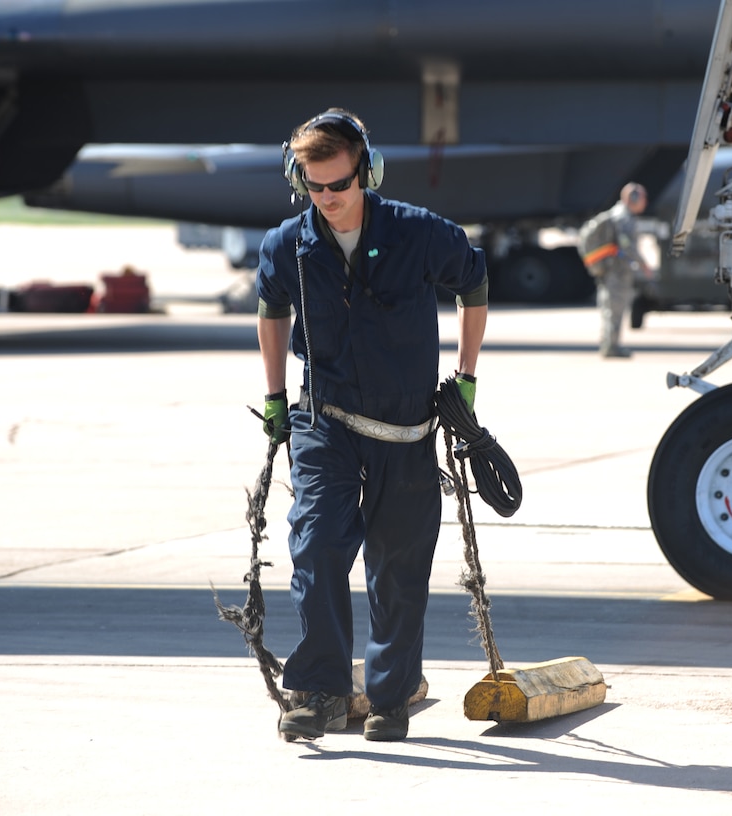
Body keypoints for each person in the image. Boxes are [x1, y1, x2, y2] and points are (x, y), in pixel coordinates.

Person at [255, 108, 489, 742]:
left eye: (339, 184)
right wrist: (276, 395)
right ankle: (317, 691)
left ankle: (388, 697)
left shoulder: (420, 233)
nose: (327, 199)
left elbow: (475, 282)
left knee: (399, 566)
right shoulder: (287, 244)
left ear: (368, 172)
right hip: (324, 419)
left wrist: (467, 376)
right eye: (314, 186)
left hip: (407, 429)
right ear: (296, 177)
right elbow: (271, 308)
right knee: (317, 547)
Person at [578, 182, 649, 358]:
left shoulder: (619, 216)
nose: (645, 201)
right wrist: (643, 264)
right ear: (631, 198)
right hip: (617, 273)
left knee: (611, 308)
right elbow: (627, 246)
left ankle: (610, 344)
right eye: (642, 197)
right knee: (614, 309)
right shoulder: (623, 218)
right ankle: (611, 347)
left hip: (612, 272)